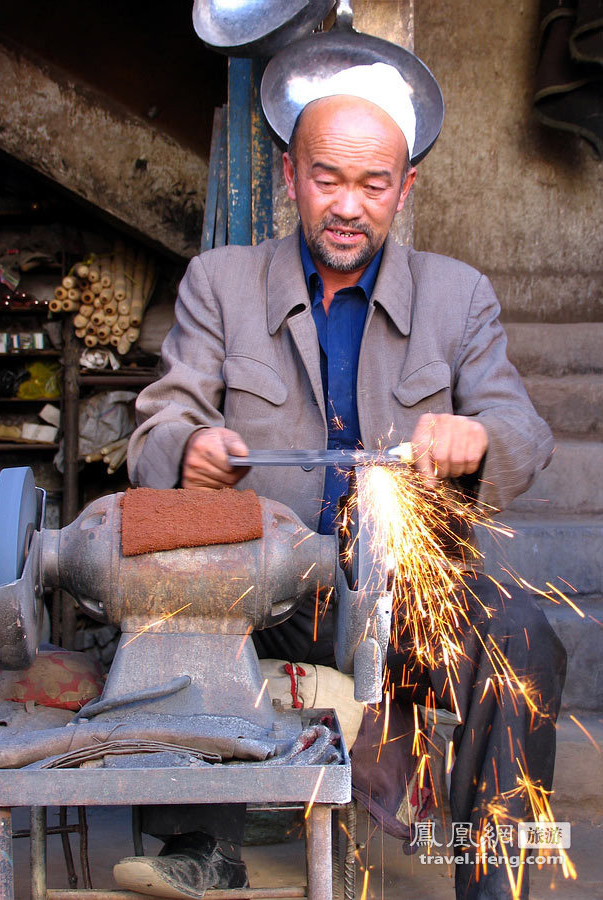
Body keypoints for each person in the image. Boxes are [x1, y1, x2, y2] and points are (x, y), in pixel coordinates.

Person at [121, 63, 566, 900]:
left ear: (405, 187)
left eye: (373, 183)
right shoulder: (220, 283)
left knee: (525, 638)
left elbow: (524, 433)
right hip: (266, 593)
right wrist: (189, 450)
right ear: (291, 176)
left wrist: (476, 437)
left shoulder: (458, 295)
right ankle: (199, 848)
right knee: (170, 595)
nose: (349, 205)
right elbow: (157, 423)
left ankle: (494, 879)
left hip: (406, 598)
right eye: (327, 178)